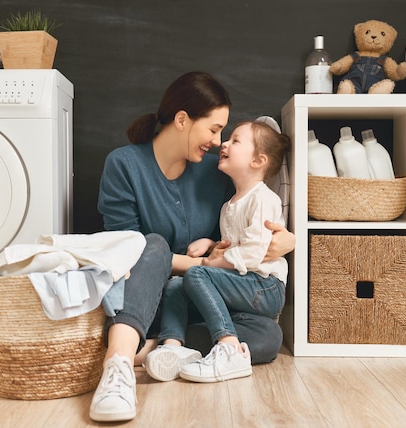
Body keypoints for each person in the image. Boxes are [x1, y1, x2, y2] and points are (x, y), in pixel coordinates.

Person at [91, 71, 295, 422]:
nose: (218, 142)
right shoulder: (124, 165)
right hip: (145, 300)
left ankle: (160, 349)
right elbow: (125, 250)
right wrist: (199, 267)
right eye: (214, 129)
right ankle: (119, 367)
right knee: (149, 245)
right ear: (183, 120)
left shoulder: (217, 172)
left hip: (200, 301)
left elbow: (245, 227)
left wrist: (285, 240)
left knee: (267, 337)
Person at [144, 120, 290, 383]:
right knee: (177, 285)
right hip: (241, 291)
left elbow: (253, 252)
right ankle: (173, 347)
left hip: (264, 286)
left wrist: (212, 264)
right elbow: (237, 245)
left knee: (197, 274)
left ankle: (229, 348)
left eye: (235, 140)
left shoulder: (263, 198)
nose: (223, 143)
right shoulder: (229, 206)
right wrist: (211, 245)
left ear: (257, 160)